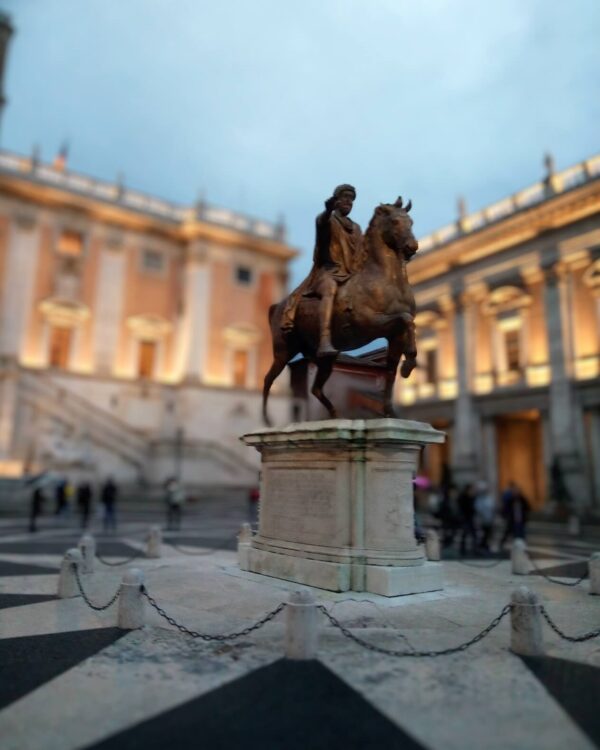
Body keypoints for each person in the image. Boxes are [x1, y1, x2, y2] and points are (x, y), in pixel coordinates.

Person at [281, 184, 363, 357]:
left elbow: (363, 252)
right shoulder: (327, 220)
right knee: (330, 288)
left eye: (351, 199)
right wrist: (327, 211)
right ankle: (325, 339)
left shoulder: (356, 228)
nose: (349, 201)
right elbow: (322, 222)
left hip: (350, 273)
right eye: (345, 197)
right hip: (328, 272)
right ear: (336, 201)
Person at [474, 481, 495, 552]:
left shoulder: (488, 498)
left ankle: (486, 546)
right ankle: (481, 546)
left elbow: (492, 508)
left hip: (489, 520)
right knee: (482, 534)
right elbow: (478, 509)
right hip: (482, 520)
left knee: (488, 534)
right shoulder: (478, 499)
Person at [457, 483, 477, 556]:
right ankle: (463, 550)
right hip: (465, 519)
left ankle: (474, 549)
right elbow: (463, 509)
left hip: (470, 519)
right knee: (465, 534)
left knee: (473, 534)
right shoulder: (463, 498)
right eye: (471, 489)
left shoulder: (472, 498)